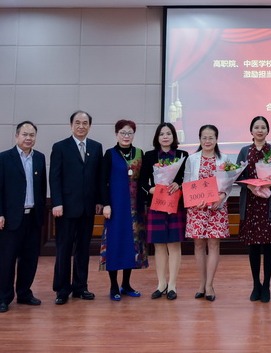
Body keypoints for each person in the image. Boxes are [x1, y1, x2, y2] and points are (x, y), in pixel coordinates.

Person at [0, 121, 47, 313]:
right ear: (16, 136)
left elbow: (41, 188)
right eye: (25, 134)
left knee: (30, 259)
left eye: (32, 135)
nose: (28, 138)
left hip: (33, 218)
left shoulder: (39, 158)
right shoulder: (4, 158)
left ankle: (24, 293)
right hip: (10, 218)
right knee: (7, 260)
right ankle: (2, 298)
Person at [50, 110, 103, 305]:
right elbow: (54, 177)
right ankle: (62, 289)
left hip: (88, 209)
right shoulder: (60, 147)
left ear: (90, 126)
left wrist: (99, 200)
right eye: (78, 123)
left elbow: (98, 177)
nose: (81, 126)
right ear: (71, 125)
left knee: (83, 249)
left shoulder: (96, 147)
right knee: (64, 249)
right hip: (65, 208)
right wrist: (56, 202)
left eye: (85, 123)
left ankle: (80, 287)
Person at [235, 116, 271, 303]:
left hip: (269, 203)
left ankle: (267, 285)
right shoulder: (244, 151)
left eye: (263, 127)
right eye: (256, 127)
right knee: (254, 247)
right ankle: (256, 284)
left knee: (269, 246)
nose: (260, 130)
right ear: (251, 131)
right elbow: (236, 175)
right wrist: (248, 185)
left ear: (267, 131)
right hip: (251, 203)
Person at [139, 122, 189, 301]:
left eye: (168, 133)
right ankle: (161, 284)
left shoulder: (183, 155)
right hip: (157, 204)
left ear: (174, 136)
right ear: (157, 137)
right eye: (162, 134)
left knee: (174, 245)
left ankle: (172, 285)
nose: (165, 137)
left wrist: (179, 184)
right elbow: (142, 181)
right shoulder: (150, 155)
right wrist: (151, 189)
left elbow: (188, 178)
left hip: (176, 205)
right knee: (159, 246)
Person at [100, 120, 148, 301]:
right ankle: (113, 286)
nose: (126, 136)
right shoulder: (110, 154)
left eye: (129, 133)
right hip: (115, 207)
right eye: (122, 133)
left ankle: (126, 284)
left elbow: (144, 180)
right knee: (115, 244)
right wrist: (106, 204)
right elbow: (102, 181)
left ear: (134, 135)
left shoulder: (139, 154)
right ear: (116, 134)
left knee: (131, 245)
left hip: (135, 208)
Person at [184, 125, 231, 302]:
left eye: (211, 138)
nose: (207, 141)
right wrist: (195, 200)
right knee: (198, 245)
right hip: (197, 208)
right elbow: (187, 183)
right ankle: (201, 283)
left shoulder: (224, 159)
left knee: (213, 244)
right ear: (199, 139)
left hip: (217, 208)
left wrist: (222, 196)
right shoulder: (192, 159)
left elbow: (228, 184)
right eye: (204, 137)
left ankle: (210, 285)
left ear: (216, 139)